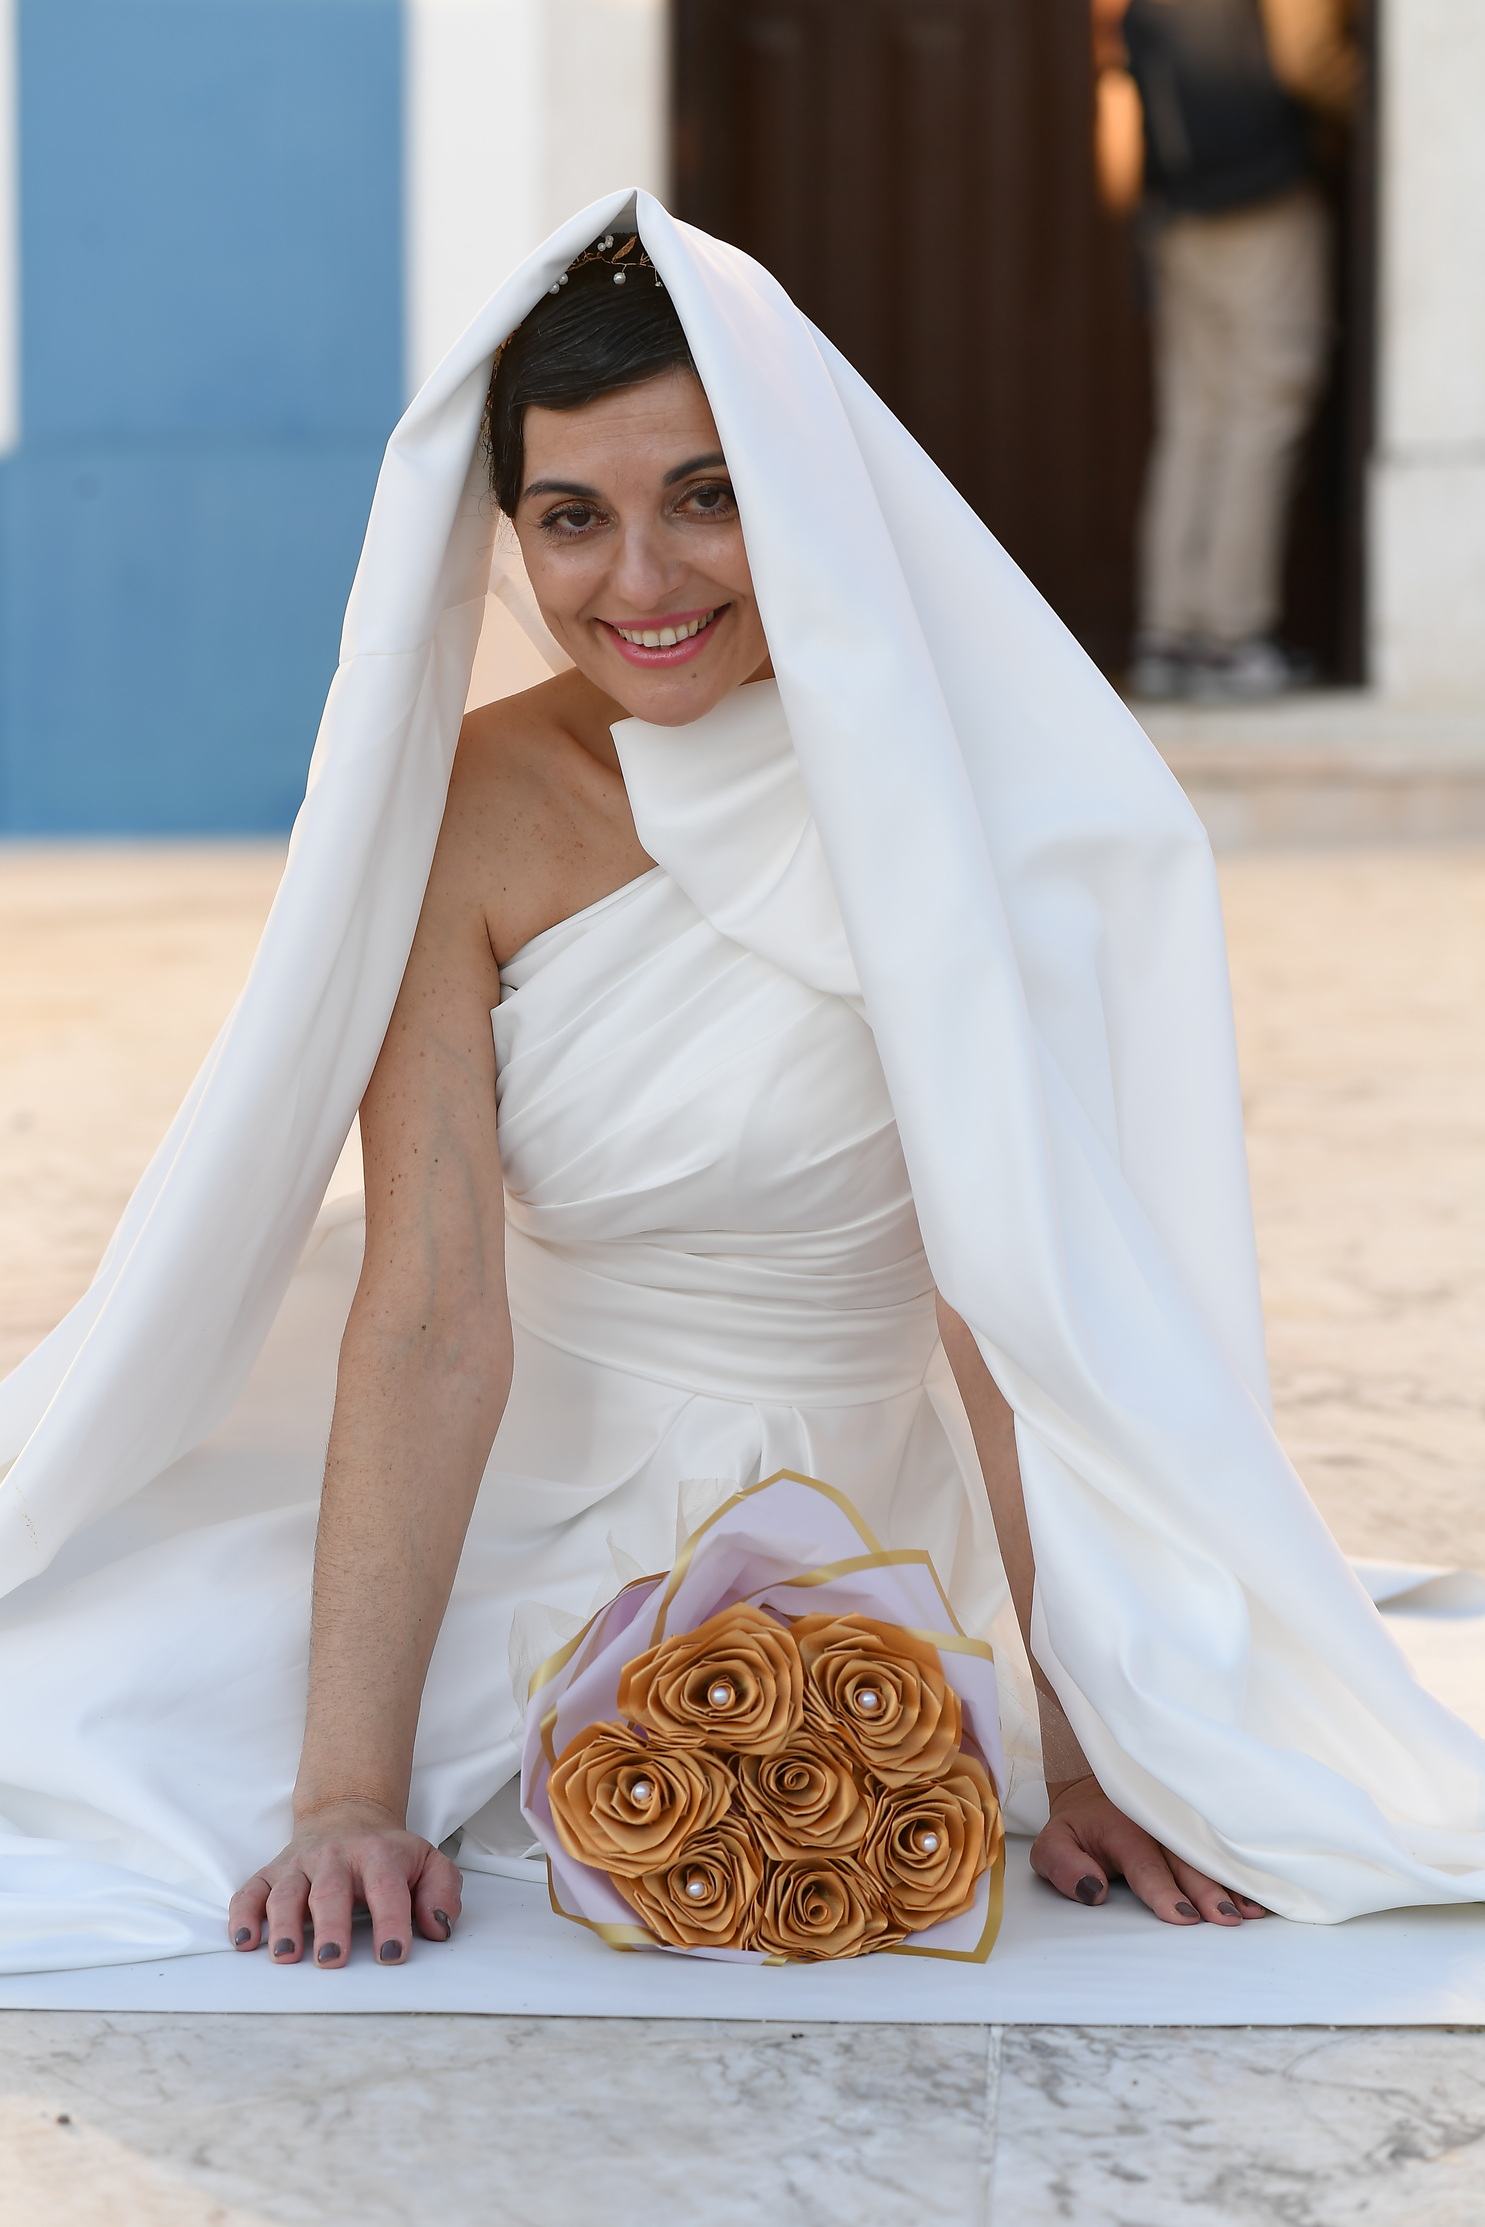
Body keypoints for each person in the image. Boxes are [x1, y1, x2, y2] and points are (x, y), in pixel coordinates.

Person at [1, 197, 1482, 1981]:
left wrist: (1095, 1744)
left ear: (798, 490)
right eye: (573, 516)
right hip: (525, 1471)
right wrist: (346, 1790)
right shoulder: (463, 803)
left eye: (705, 496)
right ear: (507, 537)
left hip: (895, 1494)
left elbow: (1008, 1301)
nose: (641, 580)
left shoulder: (955, 780)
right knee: (117, 1723)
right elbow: (435, 1300)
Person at [1093, 0, 1363, 702]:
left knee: (1196, 416)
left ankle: (1170, 630)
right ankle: (1231, 635)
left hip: (1177, 207)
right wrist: (1372, 108)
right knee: (1266, 405)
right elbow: (1309, 60)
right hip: (1260, 200)